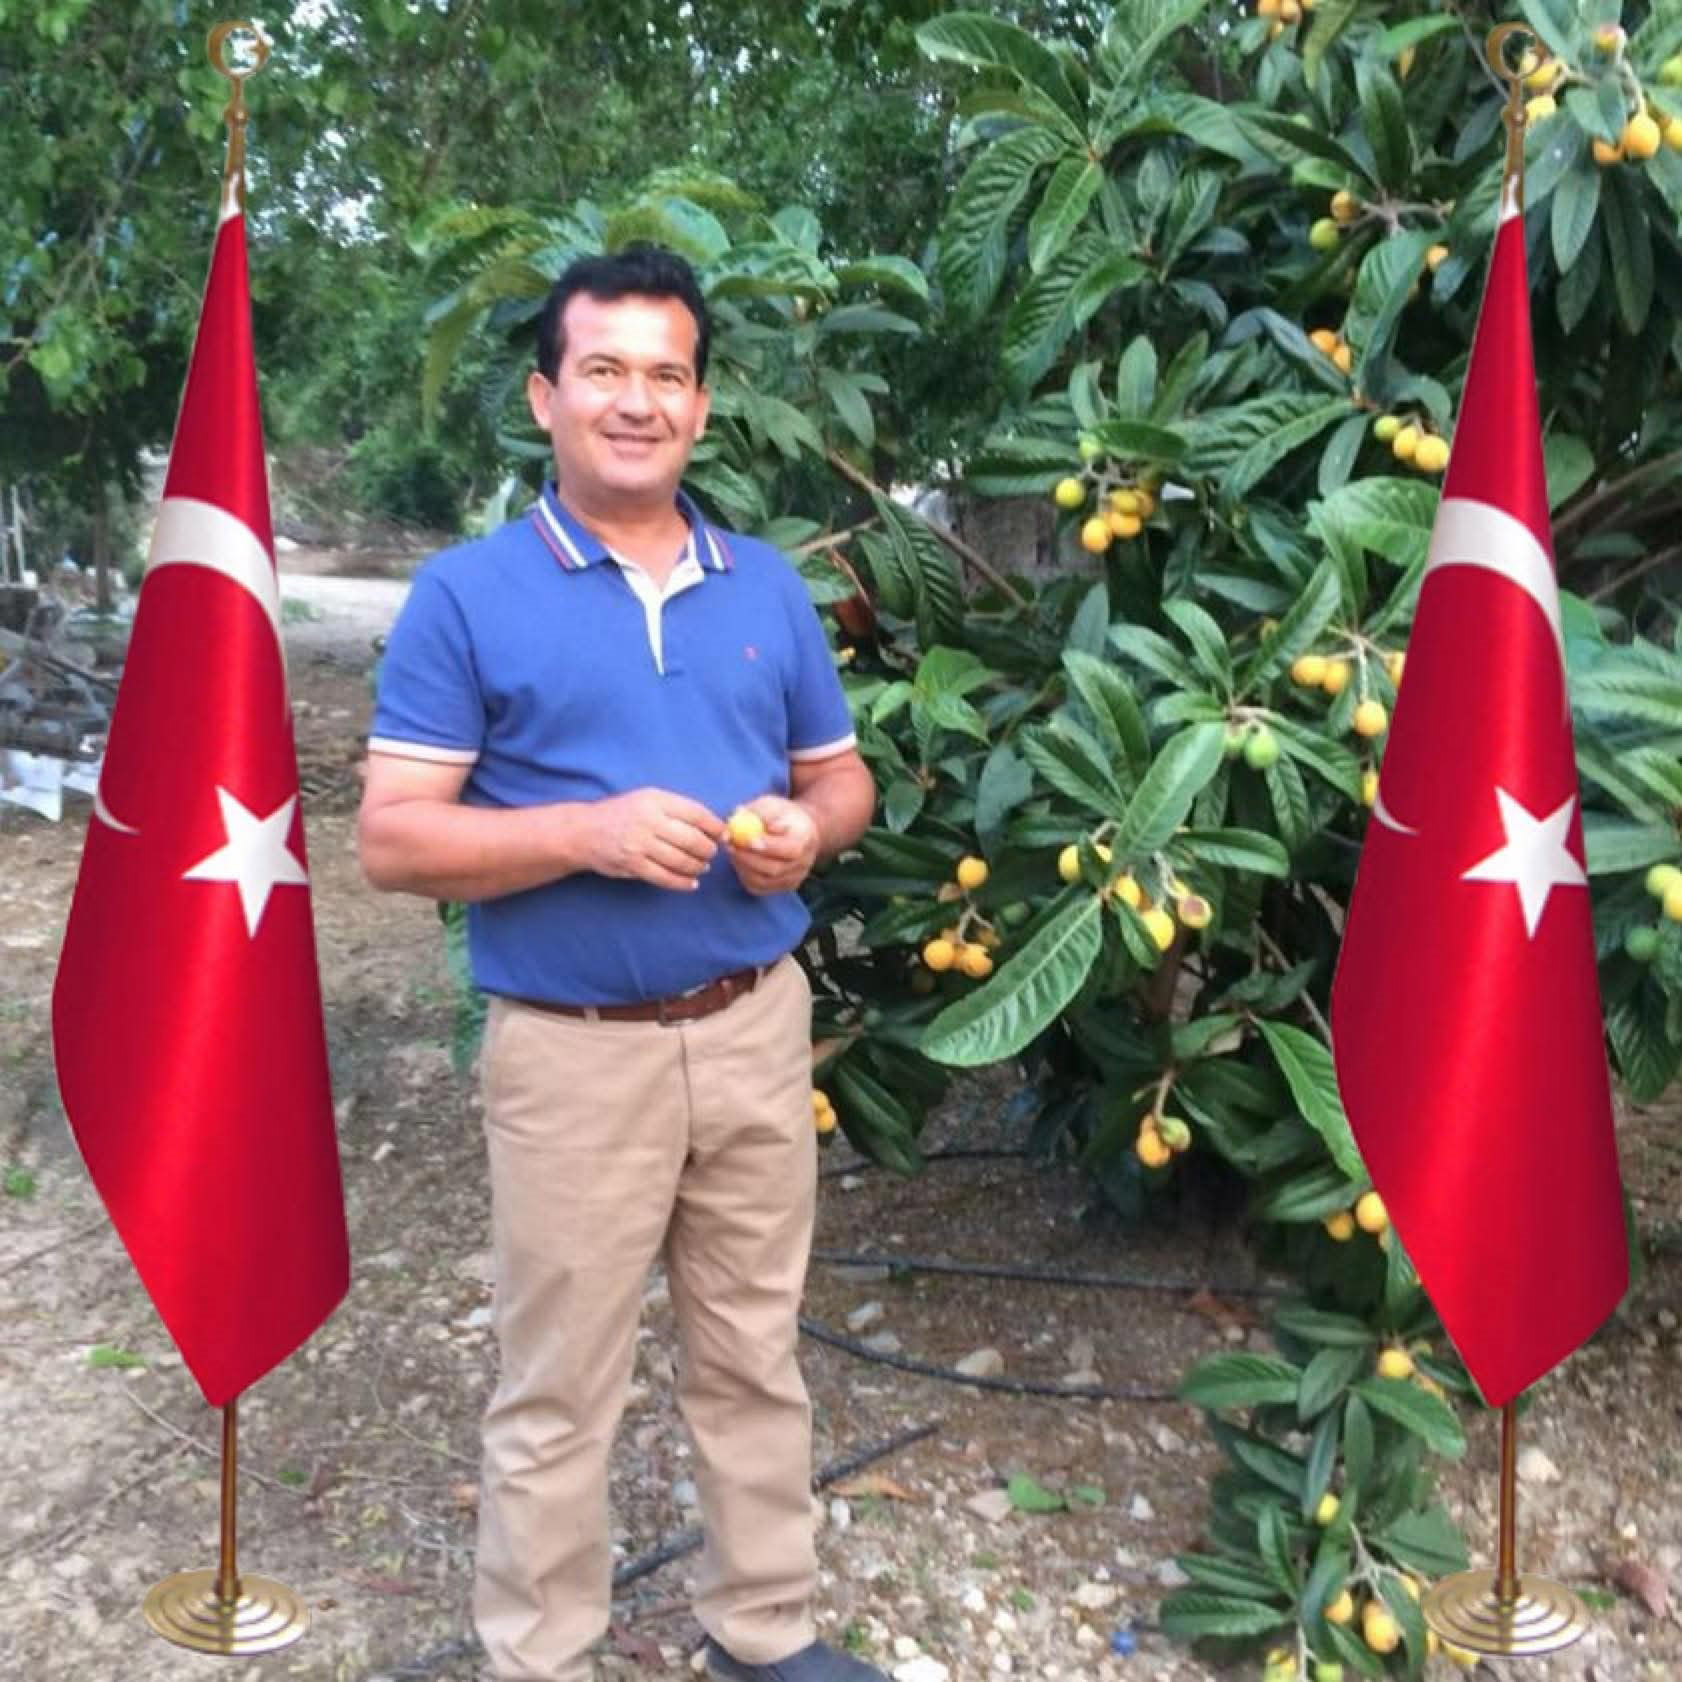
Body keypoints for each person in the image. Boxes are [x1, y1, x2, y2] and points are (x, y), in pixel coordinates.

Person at [357, 245, 882, 1682]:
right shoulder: (466, 596)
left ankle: (763, 1628)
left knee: (753, 1347)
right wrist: (582, 831)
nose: (636, 401)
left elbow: (840, 779)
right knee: (559, 1384)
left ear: (701, 406)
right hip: (573, 1050)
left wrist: (808, 834)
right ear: (547, 397)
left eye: (666, 374)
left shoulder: (765, 588)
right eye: (604, 370)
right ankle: (539, 1654)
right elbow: (393, 839)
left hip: (754, 1025)